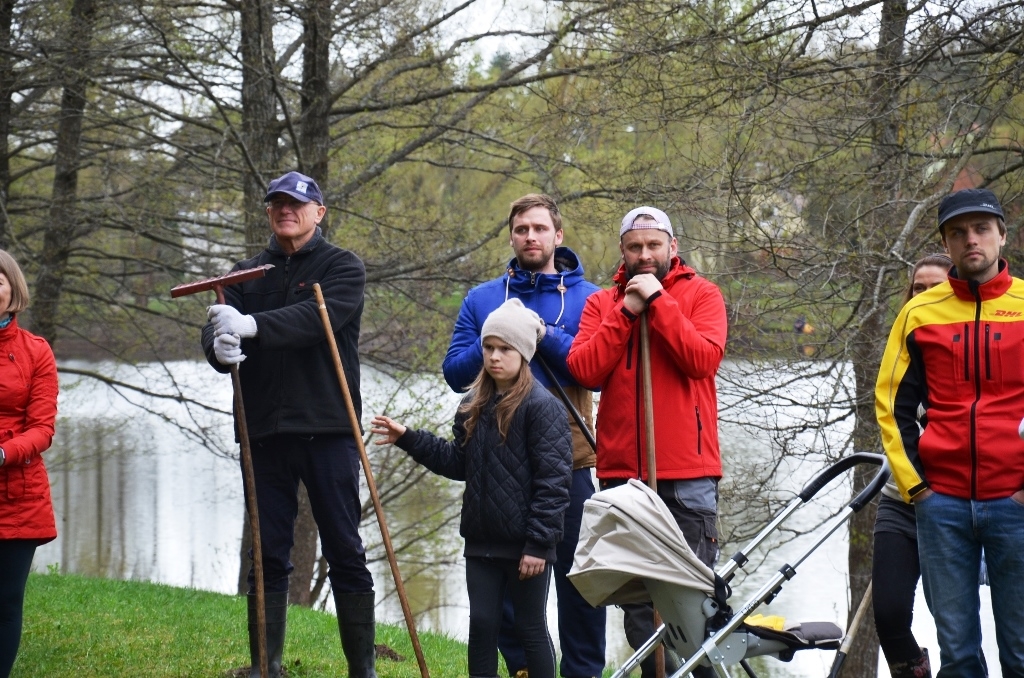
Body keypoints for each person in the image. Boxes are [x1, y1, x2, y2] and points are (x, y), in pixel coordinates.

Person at [201, 171, 377, 678]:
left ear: (318, 212)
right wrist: (219, 346)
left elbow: (315, 320)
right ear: (269, 212)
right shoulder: (244, 274)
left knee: (345, 547)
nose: (286, 211)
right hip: (263, 430)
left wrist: (252, 326)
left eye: (297, 204)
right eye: (277, 204)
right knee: (268, 551)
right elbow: (217, 324)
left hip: (329, 427)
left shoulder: (342, 267)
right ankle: (265, 665)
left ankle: (362, 670)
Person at [442, 193, 605, 678]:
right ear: (511, 237)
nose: (529, 237)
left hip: (569, 467)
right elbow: (455, 372)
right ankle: (524, 672)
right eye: (520, 230)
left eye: (539, 228)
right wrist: (501, 336)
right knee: (508, 604)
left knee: (579, 589)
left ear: (558, 235)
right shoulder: (483, 298)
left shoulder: (590, 297)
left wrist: (543, 335)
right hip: (498, 473)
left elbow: (595, 373)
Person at [372, 299, 573, 678]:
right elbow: (457, 463)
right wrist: (408, 438)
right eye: (489, 347)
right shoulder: (471, 404)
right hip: (480, 543)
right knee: (482, 625)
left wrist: (538, 545)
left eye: (505, 349)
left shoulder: (542, 407)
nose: (495, 357)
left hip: (525, 546)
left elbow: (554, 482)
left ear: (524, 352)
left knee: (530, 629)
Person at [567, 207, 727, 678]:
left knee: (693, 604)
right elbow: (585, 371)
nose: (644, 255)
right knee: (639, 611)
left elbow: (701, 359)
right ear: (623, 251)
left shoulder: (702, 295)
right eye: (635, 247)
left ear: (672, 247)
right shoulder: (601, 305)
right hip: (623, 477)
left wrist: (660, 304)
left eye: (653, 245)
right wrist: (628, 310)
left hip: (689, 474)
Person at [876, 188, 1024, 678]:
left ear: (1002, 235)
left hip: (1016, 504)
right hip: (943, 506)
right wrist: (917, 487)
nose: (971, 240)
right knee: (958, 653)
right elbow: (890, 404)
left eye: (981, 229)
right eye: (958, 233)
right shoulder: (919, 313)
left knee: (1021, 650)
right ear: (947, 241)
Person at [872, 253, 951, 678]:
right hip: (902, 499)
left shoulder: (962, 353)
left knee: (957, 619)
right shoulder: (899, 347)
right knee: (888, 612)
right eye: (916, 289)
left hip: (958, 501)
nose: (921, 297)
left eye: (933, 288)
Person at [0, 250, 58, 678]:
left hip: (16, 494)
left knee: (5, 602)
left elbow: (42, 429)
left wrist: (3, 453)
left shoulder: (36, 351)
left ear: (12, 290)